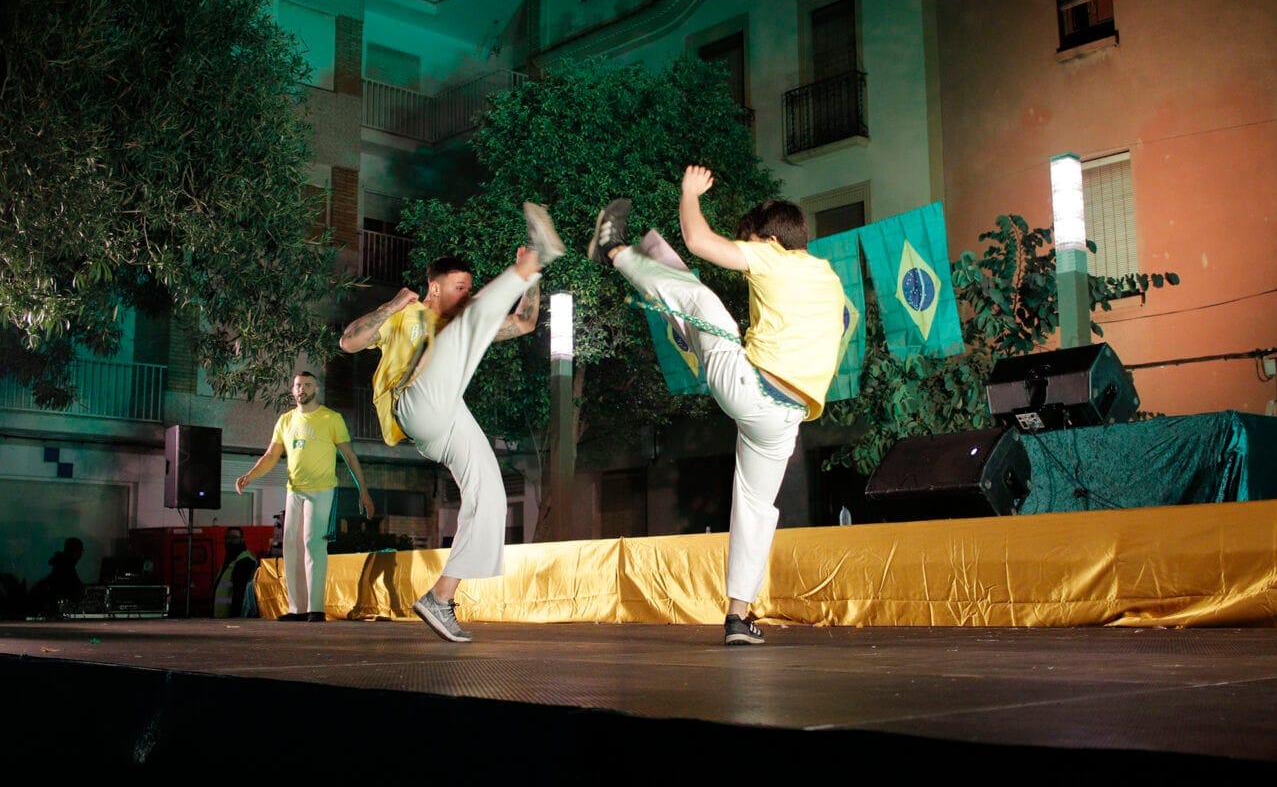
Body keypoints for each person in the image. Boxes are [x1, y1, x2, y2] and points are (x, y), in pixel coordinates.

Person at [588, 165, 846, 645]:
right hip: (785, 420)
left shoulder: (773, 258)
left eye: (747, 242)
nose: (744, 252)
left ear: (769, 240)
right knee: (756, 509)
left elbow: (699, 240)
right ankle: (738, 618)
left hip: (750, 388)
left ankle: (614, 250)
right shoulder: (827, 276)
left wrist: (689, 193)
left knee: (703, 302)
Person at [339, 203, 564, 643]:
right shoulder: (406, 315)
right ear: (434, 287)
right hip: (413, 404)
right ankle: (533, 262)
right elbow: (349, 342)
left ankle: (440, 597)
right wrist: (391, 304)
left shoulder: (461, 323)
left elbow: (523, 323)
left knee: (491, 495)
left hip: (446, 416)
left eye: (469, 289)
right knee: (464, 326)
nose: (465, 295)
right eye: (459, 288)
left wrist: (532, 281)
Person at [236, 372, 374, 622]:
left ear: (316, 389)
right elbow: (271, 455)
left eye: (308, 385)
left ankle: (316, 608)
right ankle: (296, 608)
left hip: (321, 490)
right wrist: (249, 476)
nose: (302, 389)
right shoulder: (286, 420)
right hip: (294, 490)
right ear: (293, 390)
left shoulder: (331, 418)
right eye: (298, 385)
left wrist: (362, 491)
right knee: (290, 546)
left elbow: (350, 456)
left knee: (313, 544)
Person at [28, 536, 85, 616]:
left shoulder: (61, 565)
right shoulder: (65, 567)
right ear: (77, 552)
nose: (80, 555)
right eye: (80, 551)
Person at [212, 526, 259, 619]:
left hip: (233, 618)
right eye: (227, 538)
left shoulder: (245, 561)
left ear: (242, 539)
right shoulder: (230, 561)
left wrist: (235, 617)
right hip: (222, 617)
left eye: (234, 538)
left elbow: (240, 593)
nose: (230, 541)